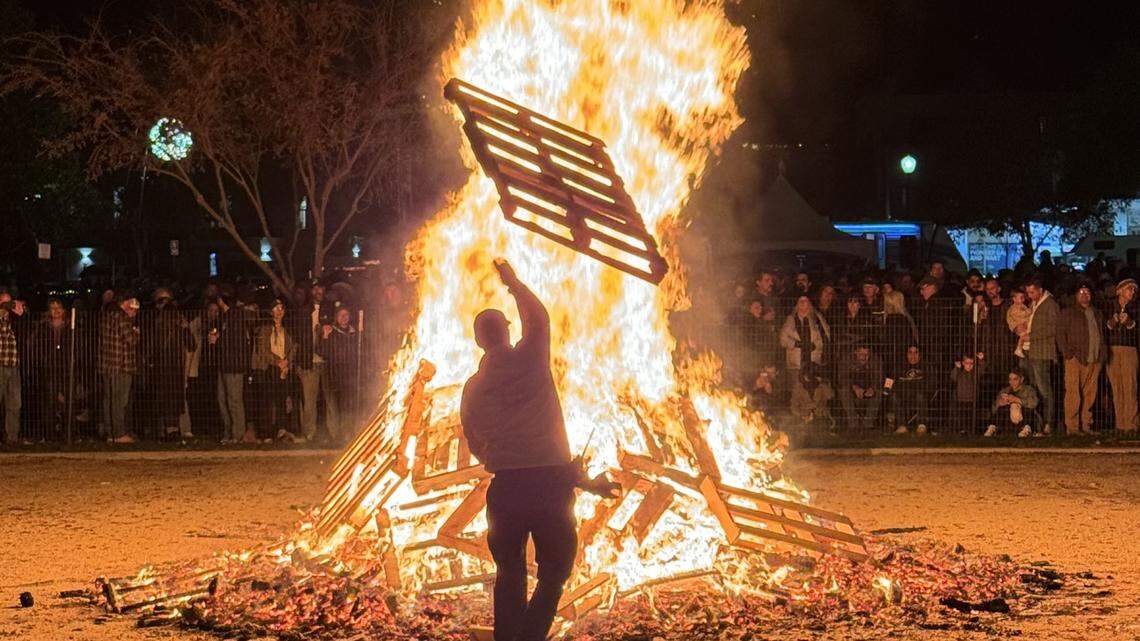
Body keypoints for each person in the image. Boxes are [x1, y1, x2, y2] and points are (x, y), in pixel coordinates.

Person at [460, 259, 614, 641]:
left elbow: (474, 438)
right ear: (508, 333)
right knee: (554, 573)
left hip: (507, 488)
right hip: (549, 486)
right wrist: (513, 284)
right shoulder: (530, 359)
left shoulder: (473, 387)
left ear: (479, 341)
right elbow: (539, 318)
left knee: (509, 573)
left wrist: (501, 458)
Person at [144, 288, 196, 440]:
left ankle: (163, 430)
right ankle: (173, 430)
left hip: (161, 366)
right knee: (175, 399)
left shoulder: (156, 324)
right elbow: (192, 345)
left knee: (162, 399)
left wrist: (149, 360)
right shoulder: (180, 323)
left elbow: (151, 346)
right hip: (176, 365)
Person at [1057, 284, 1106, 434]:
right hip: (1075, 358)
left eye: (1087, 292)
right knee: (1073, 393)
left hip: (1094, 358)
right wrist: (1067, 353)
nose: (1085, 295)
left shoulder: (1097, 313)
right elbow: (1060, 334)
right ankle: (1072, 427)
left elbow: (1102, 334)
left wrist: (1102, 354)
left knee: (1090, 394)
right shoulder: (1068, 312)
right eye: (1081, 292)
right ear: (1076, 296)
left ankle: (1086, 424)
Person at [291, 282, 332, 442]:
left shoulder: (330, 309)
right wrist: (299, 362)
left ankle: (334, 432)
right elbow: (297, 338)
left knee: (331, 400)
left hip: (327, 361)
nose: (317, 291)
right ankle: (309, 433)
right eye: (314, 288)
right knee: (309, 400)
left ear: (324, 290)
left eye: (320, 288)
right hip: (309, 362)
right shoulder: (303, 311)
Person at [98, 296, 140, 444]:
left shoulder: (106, 316)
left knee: (109, 400)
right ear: (126, 303)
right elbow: (131, 340)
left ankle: (111, 433)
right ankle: (119, 433)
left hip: (107, 364)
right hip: (121, 364)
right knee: (119, 401)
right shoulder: (122, 317)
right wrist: (136, 332)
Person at [253, 299, 296, 441]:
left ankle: (281, 430)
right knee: (266, 401)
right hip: (269, 368)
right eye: (276, 308)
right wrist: (278, 361)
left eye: (281, 308)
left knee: (281, 399)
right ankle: (265, 433)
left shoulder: (287, 329)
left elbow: (293, 347)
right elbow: (263, 350)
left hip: (283, 368)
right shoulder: (265, 328)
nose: (279, 311)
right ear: (271, 311)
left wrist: (287, 361)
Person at [1023, 277, 1060, 435]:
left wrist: (1032, 336)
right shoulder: (1035, 303)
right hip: (1032, 351)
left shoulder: (1050, 304)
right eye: (1028, 292)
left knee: (1044, 389)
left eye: (1032, 292)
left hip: (1042, 352)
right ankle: (1038, 424)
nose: (1029, 295)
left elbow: (1054, 328)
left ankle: (1048, 423)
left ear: (1040, 290)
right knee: (1035, 389)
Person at [316, 306, 359, 443]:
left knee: (347, 406)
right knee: (334, 407)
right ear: (336, 317)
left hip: (349, 376)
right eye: (341, 315)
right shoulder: (331, 332)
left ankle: (347, 433)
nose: (344, 317)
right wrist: (325, 337)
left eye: (346, 314)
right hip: (333, 375)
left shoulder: (355, 333)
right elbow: (322, 352)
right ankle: (335, 435)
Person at [216, 295, 253, 443]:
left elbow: (235, 343)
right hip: (225, 364)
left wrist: (218, 339)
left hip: (233, 366)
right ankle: (230, 431)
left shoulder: (234, 318)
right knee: (223, 399)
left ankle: (237, 433)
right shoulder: (226, 318)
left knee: (234, 400)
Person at [1104, 278, 1139, 432]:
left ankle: (1132, 424)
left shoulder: (1136, 308)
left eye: (1133, 290)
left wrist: (1130, 323)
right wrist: (1111, 323)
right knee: (1117, 388)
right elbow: (1103, 327)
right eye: (1129, 289)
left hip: (1129, 350)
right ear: (1120, 291)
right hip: (1112, 349)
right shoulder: (1108, 306)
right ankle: (1120, 423)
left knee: (1130, 387)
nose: (1132, 292)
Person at [0, 290, 28, 444]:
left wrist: (19, 312)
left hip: (13, 364)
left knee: (14, 403)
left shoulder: (14, 321)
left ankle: (12, 437)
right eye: (4, 302)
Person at [838, 344, 883, 433]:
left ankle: (868, 425)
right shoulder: (846, 361)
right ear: (855, 352)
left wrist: (872, 388)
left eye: (866, 354)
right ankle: (853, 424)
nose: (864, 357)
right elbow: (842, 378)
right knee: (843, 391)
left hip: (868, 391)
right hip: (852, 392)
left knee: (879, 391)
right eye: (861, 354)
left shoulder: (876, 361)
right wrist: (854, 387)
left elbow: (880, 378)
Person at [985, 368, 1040, 437]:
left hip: (1023, 417)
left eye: (1015, 379)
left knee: (1024, 408)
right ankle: (993, 428)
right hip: (1008, 420)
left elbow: (1034, 403)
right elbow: (993, 409)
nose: (1012, 382)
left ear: (1022, 379)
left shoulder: (1029, 390)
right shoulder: (1005, 391)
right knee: (1002, 409)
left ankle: (1027, 429)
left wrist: (1017, 400)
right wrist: (999, 403)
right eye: (1010, 379)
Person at [892, 345, 930, 435]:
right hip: (903, 394)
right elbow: (890, 380)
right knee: (894, 396)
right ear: (906, 354)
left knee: (920, 396)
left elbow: (931, 384)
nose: (913, 355)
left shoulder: (926, 366)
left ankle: (921, 425)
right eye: (910, 352)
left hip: (920, 394)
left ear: (920, 355)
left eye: (916, 352)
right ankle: (902, 426)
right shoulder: (899, 366)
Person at [950, 352, 986, 433]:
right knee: (962, 416)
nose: (969, 365)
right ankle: (962, 430)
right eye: (967, 363)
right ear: (963, 363)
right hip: (961, 400)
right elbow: (953, 377)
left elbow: (982, 369)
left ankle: (970, 430)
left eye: (971, 363)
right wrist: (957, 368)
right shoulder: (960, 372)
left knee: (971, 416)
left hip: (972, 400)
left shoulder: (975, 373)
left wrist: (981, 360)